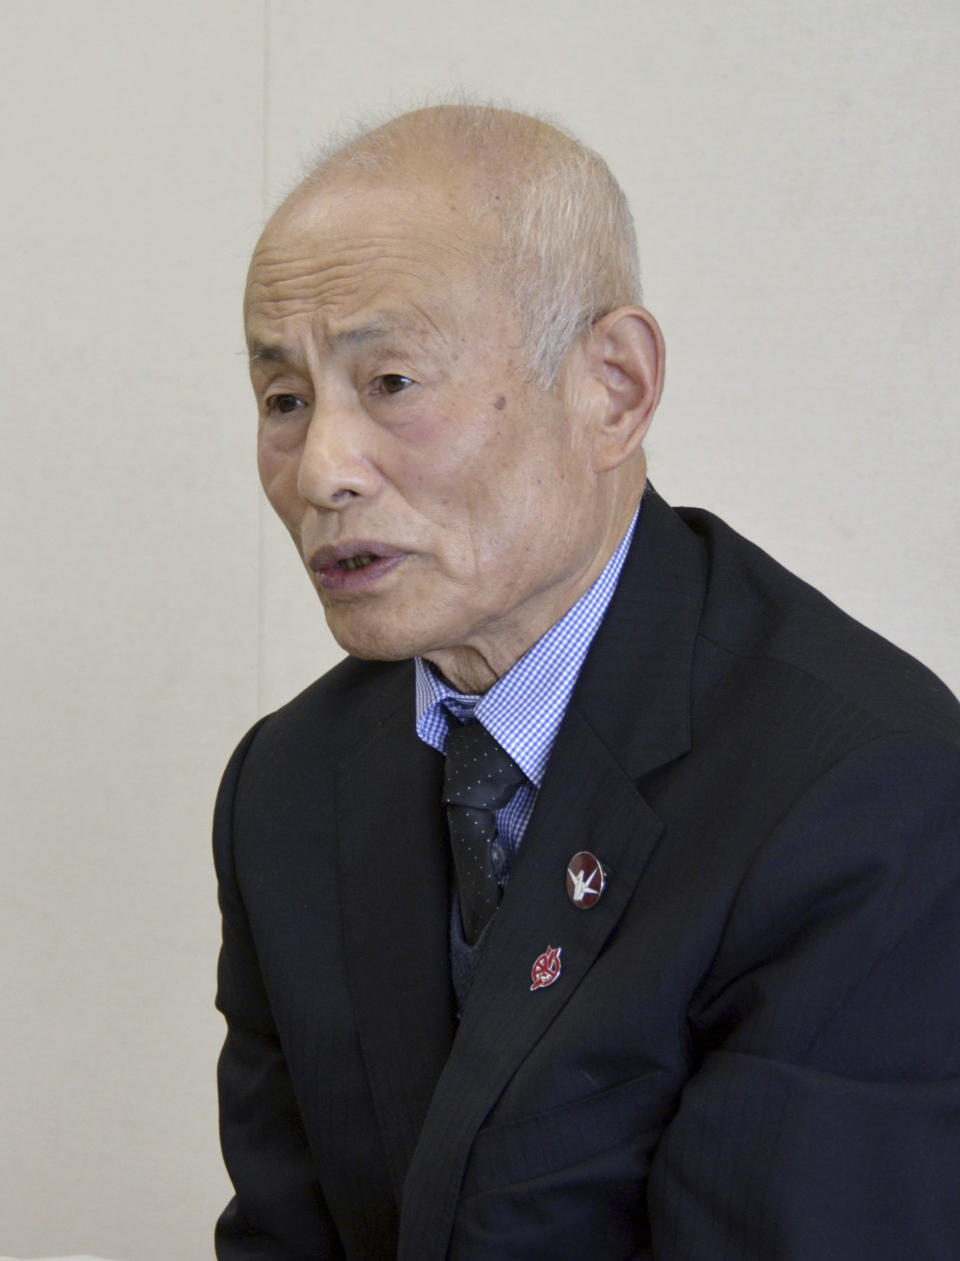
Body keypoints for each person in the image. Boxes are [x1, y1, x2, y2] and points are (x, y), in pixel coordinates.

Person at [214, 104, 960, 1260]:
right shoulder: (288, 783)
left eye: (394, 380)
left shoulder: (866, 800)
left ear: (612, 386)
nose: (322, 471)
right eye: (285, 400)